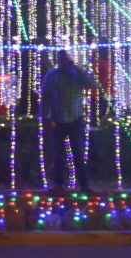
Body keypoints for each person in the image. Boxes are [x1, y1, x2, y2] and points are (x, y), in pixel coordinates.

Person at [41, 49, 98, 192]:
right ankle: (59, 184)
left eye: (65, 59)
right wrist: (45, 116)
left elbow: (92, 85)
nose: (63, 62)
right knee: (58, 155)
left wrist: (77, 69)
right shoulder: (51, 75)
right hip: (57, 119)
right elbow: (45, 97)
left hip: (75, 119)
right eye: (60, 59)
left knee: (78, 153)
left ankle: (84, 185)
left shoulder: (77, 75)